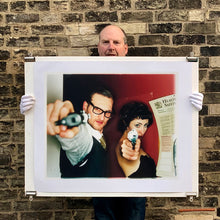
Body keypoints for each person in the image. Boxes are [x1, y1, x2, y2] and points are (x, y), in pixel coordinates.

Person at [20, 24, 204, 220]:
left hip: (135, 192)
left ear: (125, 48)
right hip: (103, 188)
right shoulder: (87, 91)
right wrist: (36, 112)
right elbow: (79, 142)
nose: (111, 47)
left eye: (116, 42)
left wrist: (189, 109)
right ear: (98, 47)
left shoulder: (142, 76)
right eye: (105, 42)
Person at [47, 87, 114, 178]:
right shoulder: (84, 138)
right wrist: (65, 122)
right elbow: (79, 140)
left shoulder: (101, 136)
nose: (102, 118)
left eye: (107, 112)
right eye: (97, 109)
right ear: (85, 107)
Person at [116, 101, 156, 178]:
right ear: (125, 123)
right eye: (137, 125)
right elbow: (125, 149)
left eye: (145, 125)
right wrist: (128, 150)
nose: (142, 130)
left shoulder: (133, 141)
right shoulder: (125, 143)